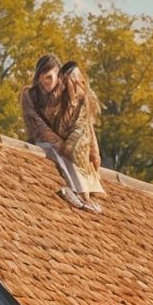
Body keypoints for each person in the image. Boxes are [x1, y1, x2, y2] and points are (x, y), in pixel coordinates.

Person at [19, 53, 88, 211]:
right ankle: (76, 191)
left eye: (52, 77)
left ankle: (84, 195)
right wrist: (60, 144)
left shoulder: (63, 95)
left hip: (61, 142)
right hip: (40, 140)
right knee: (55, 152)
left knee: (73, 157)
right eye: (45, 77)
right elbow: (39, 125)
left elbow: (81, 121)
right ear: (39, 77)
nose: (49, 82)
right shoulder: (30, 94)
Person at [57, 60, 104, 213]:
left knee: (77, 157)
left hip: (79, 139)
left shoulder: (82, 98)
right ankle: (83, 196)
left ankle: (84, 198)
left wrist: (94, 150)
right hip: (76, 137)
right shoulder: (68, 99)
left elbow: (86, 125)